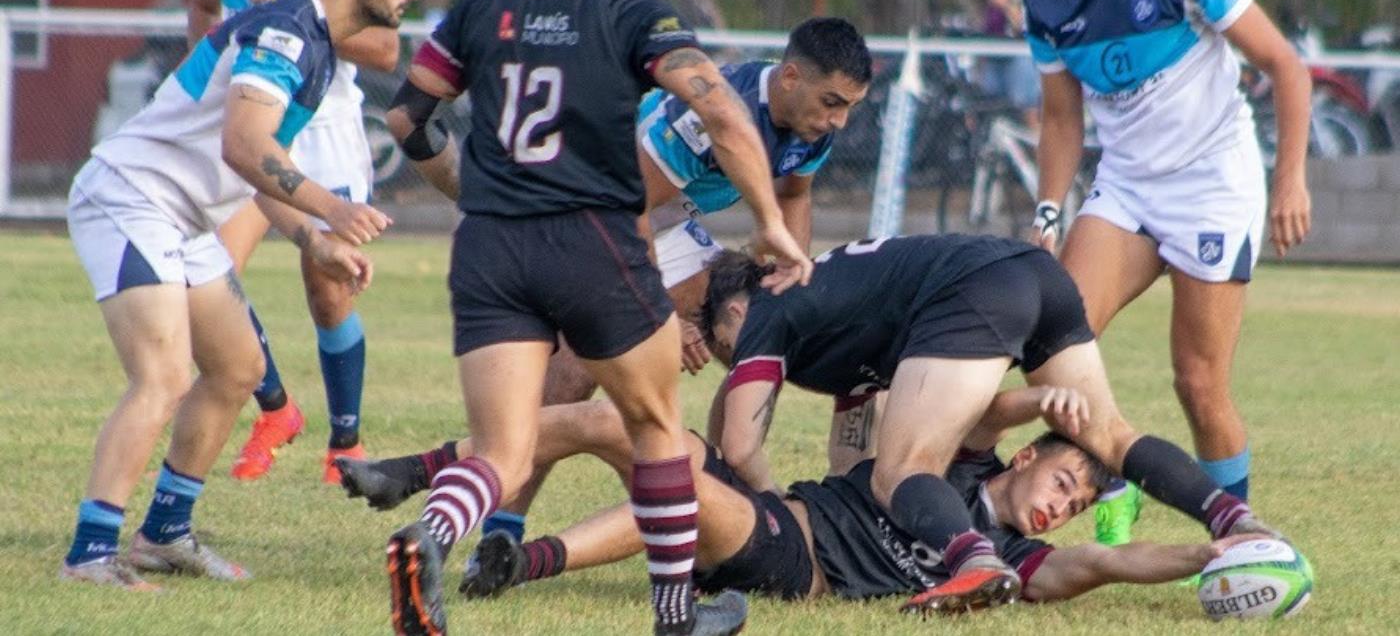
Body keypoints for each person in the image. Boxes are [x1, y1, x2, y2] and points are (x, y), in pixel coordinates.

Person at [344, 238, 1290, 617]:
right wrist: (1037, 401)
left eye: (1079, 502)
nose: (1065, 505)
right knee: (629, 434)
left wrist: (1223, 561)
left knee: (669, 453)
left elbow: (1112, 562)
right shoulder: (960, 441)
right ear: (1031, 454)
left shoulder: (1027, 550)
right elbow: (881, 443)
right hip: (793, 514)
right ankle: (445, 482)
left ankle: (1236, 522)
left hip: (798, 553)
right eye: (1066, 483)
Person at [376, 0, 812, 634]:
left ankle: (431, 535)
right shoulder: (632, 8)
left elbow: (407, 119)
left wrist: (471, 190)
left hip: (489, 250)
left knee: (505, 450)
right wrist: (771, 222)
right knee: (655, 430)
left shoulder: (484, 3)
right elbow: (720, 109)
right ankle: (676, 617)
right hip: (590, 241)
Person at [388, 17, 871, 547]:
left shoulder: (807, 125)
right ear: (791, 77)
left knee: (755, 333)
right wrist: (662, 318)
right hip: (581, 202)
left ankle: (725, 492)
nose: (839, 120)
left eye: (848, 106)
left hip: (651, 214)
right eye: (832, 102)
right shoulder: (710, 117)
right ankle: (498, 532)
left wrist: (790, 272)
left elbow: (795, 197)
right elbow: (626, 215)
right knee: (577, 371)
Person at [60, 0, 423, 590]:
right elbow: (244, 145)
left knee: (238, 368)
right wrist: (333, 207)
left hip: (187, 217)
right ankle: (89, 553)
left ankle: (164, 534)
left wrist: (312, 239)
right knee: (162, 377)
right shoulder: (287, 33)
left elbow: (254, 174)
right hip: (132, 197)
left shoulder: (314, 46)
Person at [1023, 0, 1312, 545]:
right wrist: (1048, 211)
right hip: (1127, 185)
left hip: (1213, 184)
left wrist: (1290, 179)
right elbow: (1063, 120)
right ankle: (1117, 474)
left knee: (1198, 382)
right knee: (1050, 343)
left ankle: (1237, 539)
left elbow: (1286, 66)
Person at [189, 0, 404, 483]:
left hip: (323, 130)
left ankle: (345, 442)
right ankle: (277, 408)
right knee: (207, 279)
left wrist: (298, 7)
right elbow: (204, 7)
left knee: (328, 291)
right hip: (248, 125)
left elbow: (385, 49)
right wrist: (197, 82)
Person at [978, 0, 1041, 128]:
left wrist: (1004, 4)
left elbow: (1021, 25)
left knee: (1026, 110)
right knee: (988, 110)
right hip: (995, 58)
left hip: (1020, 57)